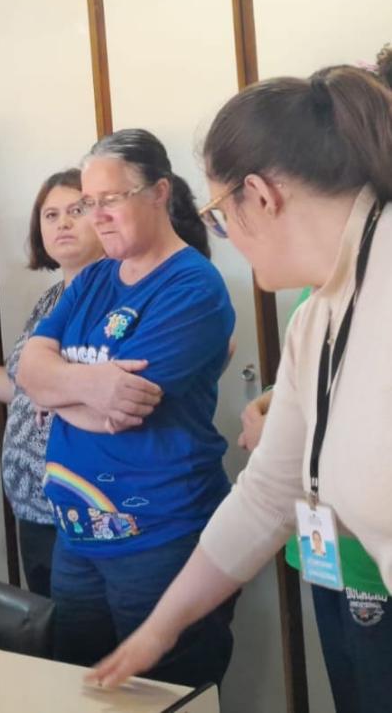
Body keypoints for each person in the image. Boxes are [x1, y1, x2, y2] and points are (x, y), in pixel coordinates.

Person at [88, 67, 392, 713]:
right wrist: (159, 629)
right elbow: (267, 495)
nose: (222, 237)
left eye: (219, 217)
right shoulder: (319, 314)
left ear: (260, 195)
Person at [16, 129, 237, 689]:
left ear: (159, 192)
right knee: (84, 689)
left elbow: (123, 410)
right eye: (89, 203)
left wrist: (57, 394)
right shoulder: (93, 278)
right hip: (77, 538)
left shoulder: (193, 286)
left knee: (167, 693)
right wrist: (83, 387)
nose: (97, 217)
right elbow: (29, 372)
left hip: (160, 537)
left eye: (109, 199)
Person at [0, 169, 103, 597]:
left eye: (77, 210)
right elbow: (22, 389)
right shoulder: (50, 299)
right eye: (51, 215)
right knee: (50, 630)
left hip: (86, 504)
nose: (62, 223)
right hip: (32, 506)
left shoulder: (118, 295)